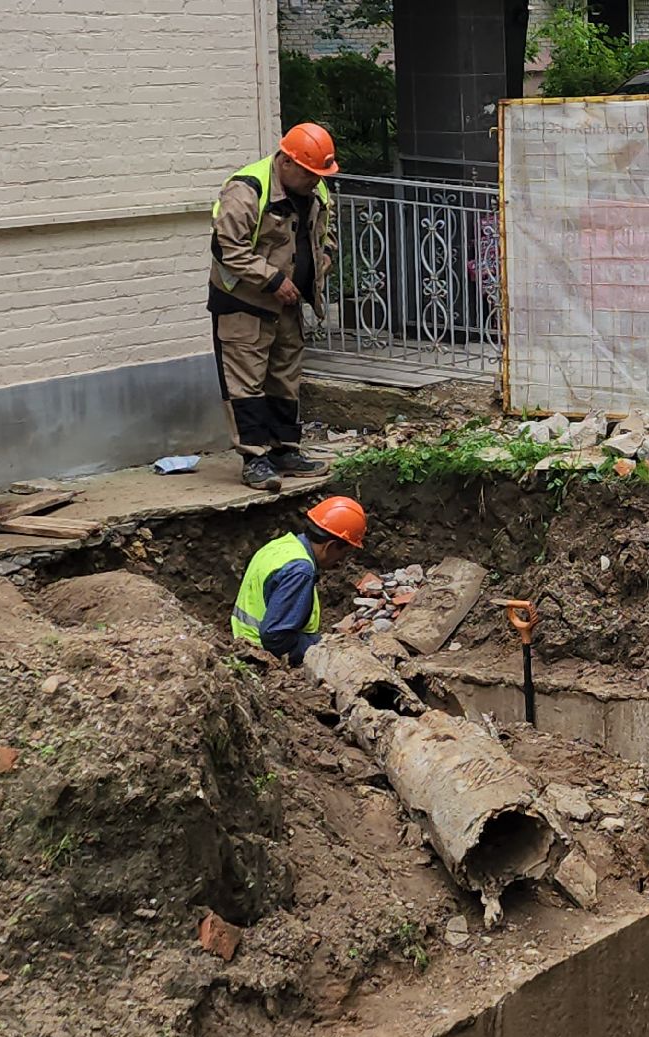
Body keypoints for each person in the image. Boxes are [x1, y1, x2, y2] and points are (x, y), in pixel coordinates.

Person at [210, 123, 340, 492]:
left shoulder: (316, 190)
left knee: (284, 376)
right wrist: (272, 280)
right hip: (243, 304)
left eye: (320, 175)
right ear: (286, 161)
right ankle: (255, 458)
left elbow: (325, 233)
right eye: (309, 173)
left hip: (287, 303)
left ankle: (286, 450)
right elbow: (227, 248)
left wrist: (324, 259)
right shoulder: (247, 190)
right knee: (246, 382)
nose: (315, 181)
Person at [231, 496, 366, 665]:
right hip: (260, 658)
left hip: (243, 641)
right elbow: (276, 638)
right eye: (343, 553)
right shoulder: (300, 571)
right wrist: (319, 645)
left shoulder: (281, 546)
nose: (340, 561)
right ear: (330, 546)